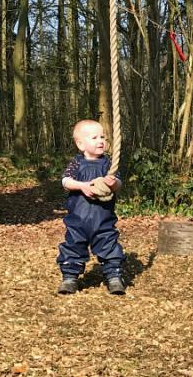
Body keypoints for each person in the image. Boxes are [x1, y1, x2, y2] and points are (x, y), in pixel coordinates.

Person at [56, 119, 126, 295]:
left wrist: (112, 183)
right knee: (73, 246)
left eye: (102, 137)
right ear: (81, 144)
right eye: (94, 137)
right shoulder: (76, 163)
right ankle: (70, 278)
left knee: (109, 245)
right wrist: (82, 186)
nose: (101, 141)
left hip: (102, 218)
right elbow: (65, 181)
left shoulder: (107, 164)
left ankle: (114, 277)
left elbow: (118, 183)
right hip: (78, 219)